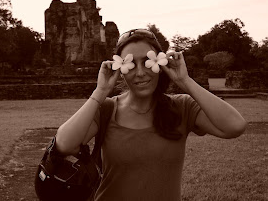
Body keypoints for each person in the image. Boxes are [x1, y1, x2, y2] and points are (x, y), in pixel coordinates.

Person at [55, 29, 247, 200]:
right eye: (131, 64)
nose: (140, 73)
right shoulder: (106, 109)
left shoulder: (181, 107)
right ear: (120, 68)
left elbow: (235, 126)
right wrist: (99, 92)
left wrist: (185, 81)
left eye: (148, 62)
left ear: (161, 64)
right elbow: (64, 144)